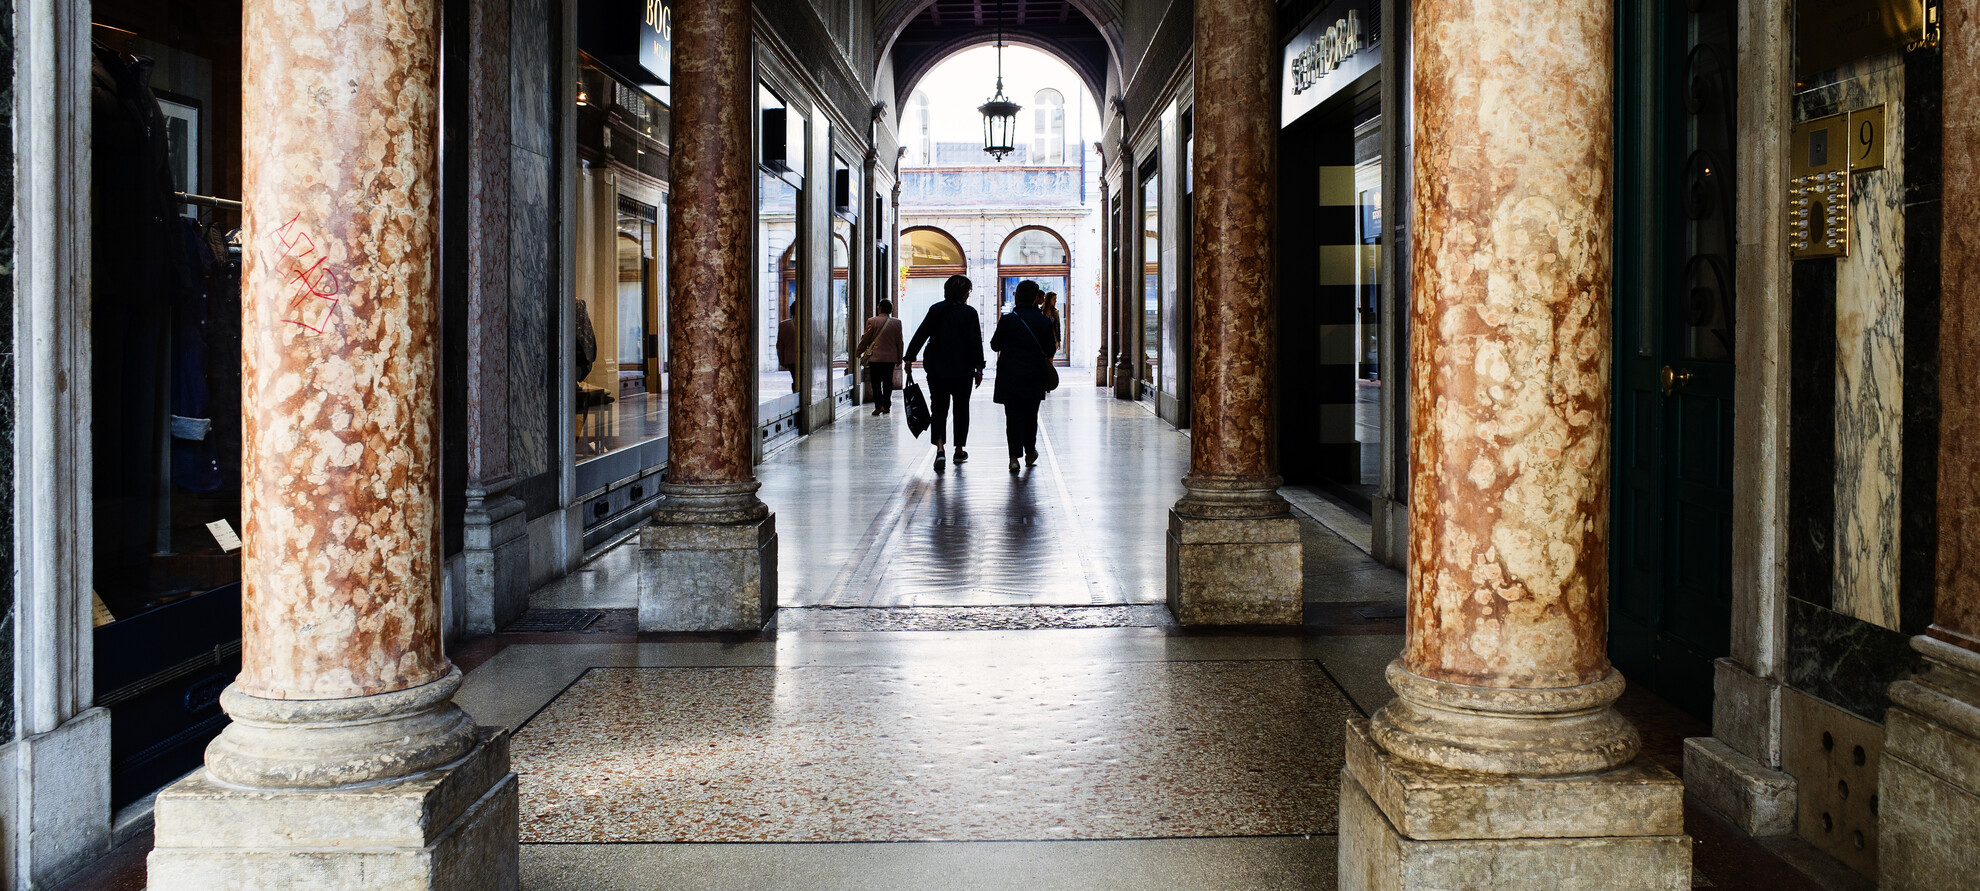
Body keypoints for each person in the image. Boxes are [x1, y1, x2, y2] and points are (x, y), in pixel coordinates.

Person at [903, 274, 985, 470]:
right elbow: (975, 342)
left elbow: (921, 334)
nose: (968, 294)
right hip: (963, 369)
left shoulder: (936, 309)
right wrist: (979, 367)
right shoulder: (969, 313)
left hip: (937, 368)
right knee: (961, 408)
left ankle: (940, 450)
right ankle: (958, 450)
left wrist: (909, 357)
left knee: (939, 409)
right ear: (963, 292)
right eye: (968, 291)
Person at [991, 280, 1059, 471]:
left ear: (1017, 296)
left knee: (1012, 417)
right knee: (1031, 415)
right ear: (1036, 298)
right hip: (1034, 374)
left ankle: (1013, 457)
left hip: (1010, 375)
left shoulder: (1008, 319)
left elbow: (995, 345)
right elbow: (1050, 349)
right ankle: (1030, 451)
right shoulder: (1043, 321)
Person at [855, 299, 904, 416]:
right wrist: (899, 358)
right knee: (888, 382)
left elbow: (866, 338)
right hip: (890, 359)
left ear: (880, 308)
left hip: (875, 358)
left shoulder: (872, 321)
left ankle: (879, 406)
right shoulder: (897, 323)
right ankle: (887, 405)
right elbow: (900, 342)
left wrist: (859, 351)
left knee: (876, 382)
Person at [776, 302, 799, 393]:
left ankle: (796, 395)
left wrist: (781, 360)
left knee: (796, 379)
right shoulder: (810, 324)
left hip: (791, 360)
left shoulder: (783, 325)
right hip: (803, 359)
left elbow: (780, 345)